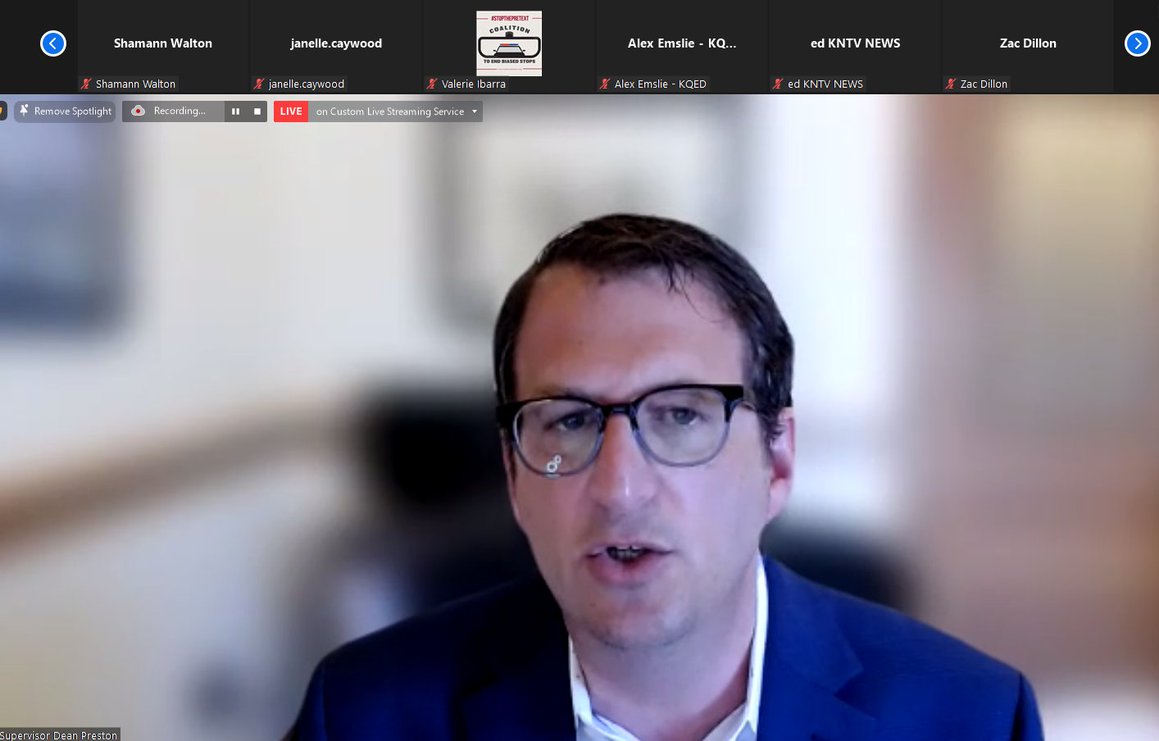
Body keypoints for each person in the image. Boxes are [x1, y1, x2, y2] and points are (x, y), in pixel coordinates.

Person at [290, 214, 1043, 740]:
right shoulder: (361, 715)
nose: (620, 488)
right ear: (513, 474)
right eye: (568, 420)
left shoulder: (971, 717)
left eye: (681, 415)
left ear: (778, 459)